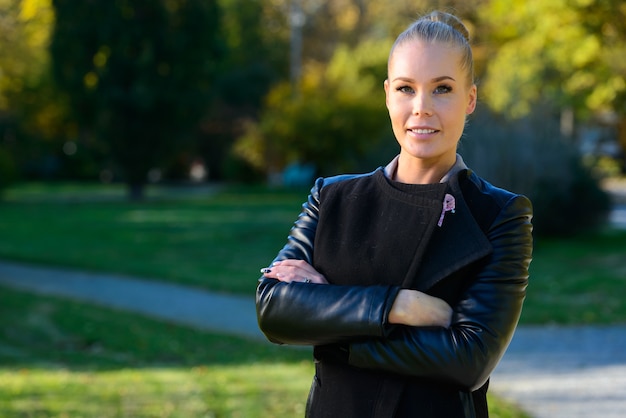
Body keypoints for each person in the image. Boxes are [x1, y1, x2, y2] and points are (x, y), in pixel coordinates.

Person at [256, 10, 533, 418]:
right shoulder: (331, 197)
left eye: (442, 89)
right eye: (406, 88)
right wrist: (396, 306)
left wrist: (331, 323)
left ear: (469, 98)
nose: (421, 108)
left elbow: (468, 359)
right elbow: (274, 308)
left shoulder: (500, 214)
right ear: (387, 94)